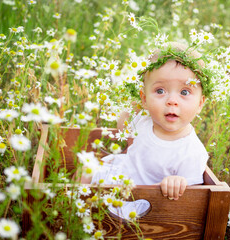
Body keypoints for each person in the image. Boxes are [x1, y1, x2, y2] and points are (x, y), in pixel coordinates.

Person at [89, 42, 209, 203]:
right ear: (144, 98)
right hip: (122, 177)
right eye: (160, 91)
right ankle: (70, 211)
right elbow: (122, 126)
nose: (172, 101)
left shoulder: (192, 151)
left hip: (149, 202)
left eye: (184, 92)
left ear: (200, 104)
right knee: (85, 170)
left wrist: (178, 182)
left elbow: (194, 198)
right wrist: (136, 105)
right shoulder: (144, 119)